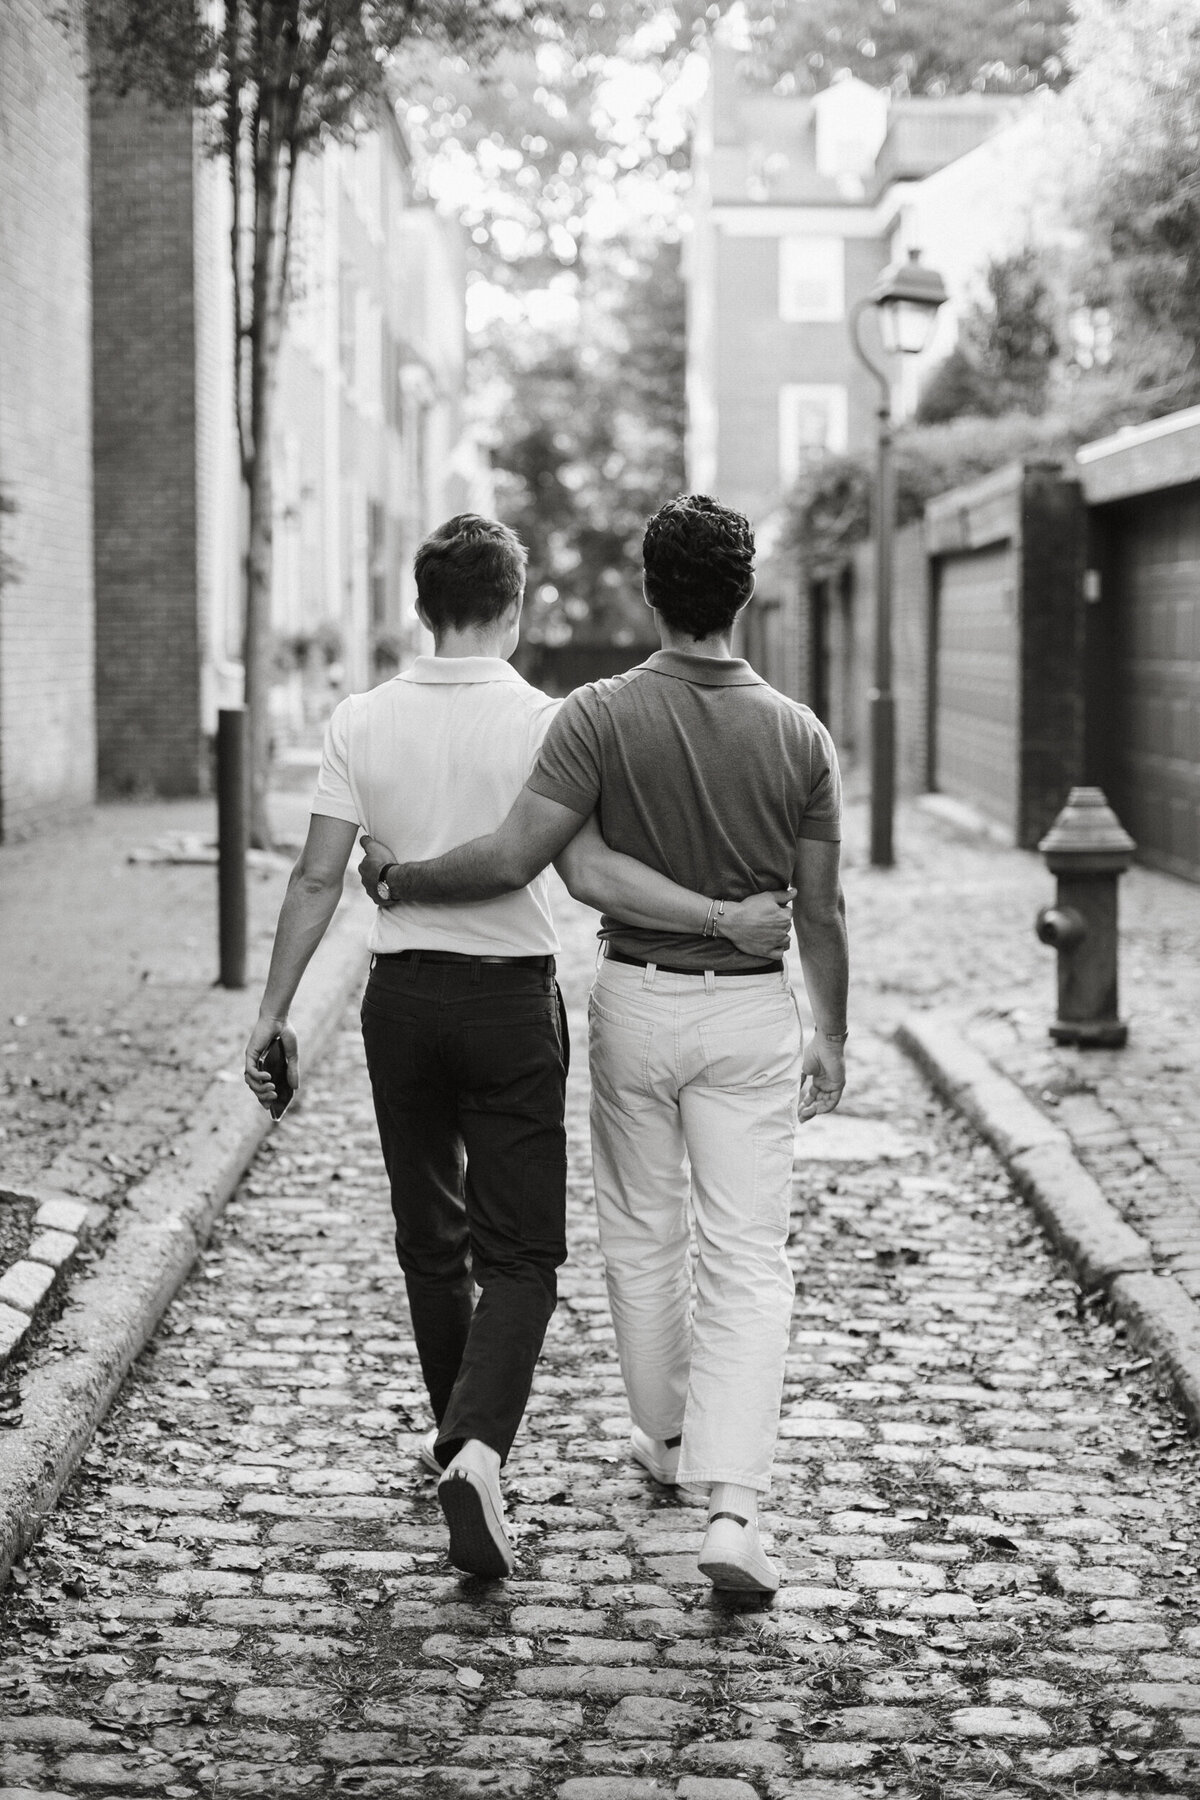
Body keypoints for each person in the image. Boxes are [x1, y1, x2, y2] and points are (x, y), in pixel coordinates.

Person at [244, 512, 792, 1581]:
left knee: (428, 1236)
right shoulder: (550, 721)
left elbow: (318, 880)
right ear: (514, 603)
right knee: (524, 1256)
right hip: (506, 1002)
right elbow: (576, 869)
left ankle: (458, 1432)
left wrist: (271, 1012)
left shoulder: (361, 719)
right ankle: (479, 1448)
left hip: (398, 1000)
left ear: (422, 605)